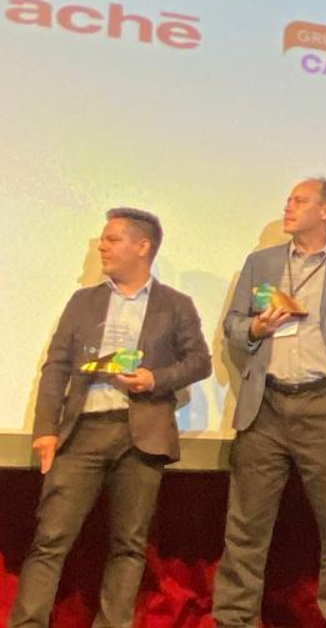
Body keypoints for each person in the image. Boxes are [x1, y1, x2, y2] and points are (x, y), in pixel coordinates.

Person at [10, 208, 212, 628]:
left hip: (142, 434)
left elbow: (200, 362)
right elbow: (56, 366)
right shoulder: (83, 301)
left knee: (129, 545)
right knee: (50, 538)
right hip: (83, 430)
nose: (102, 246)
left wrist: (154, 378)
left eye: (113, 239)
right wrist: (46, 429)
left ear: (143, 247)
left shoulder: (175, 304)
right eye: (103, 239)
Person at [213, 178, 326, 628]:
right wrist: (256, 329)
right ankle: (234, 618)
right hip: (265, 405)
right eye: (288, 200)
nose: (288, 207)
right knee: (246, 523)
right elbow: (233, 324)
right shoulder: (261, 262)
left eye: (300, 201)